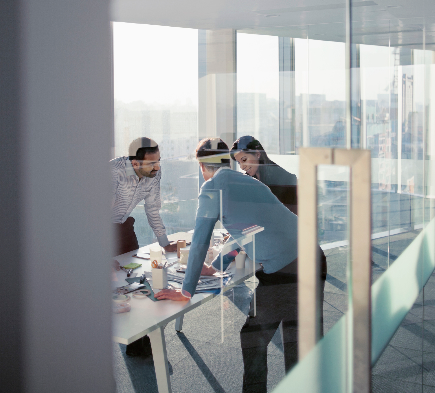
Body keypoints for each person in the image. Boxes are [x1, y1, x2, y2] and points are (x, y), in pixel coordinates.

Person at [155, 137, 326, 393]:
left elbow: (200, 241)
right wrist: (216, 265)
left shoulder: (212, 188)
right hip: (314, 257)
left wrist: (186, 291)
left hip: (286, 271)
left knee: (254, 338)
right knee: (297, 341)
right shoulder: (249, 182)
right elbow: (249, 231)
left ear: (202, 167)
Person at [111, 137, 177, 357]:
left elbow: (153, 210)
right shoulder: (113, 173)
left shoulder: (153, 174)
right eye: (152, 163)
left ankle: (139, 339)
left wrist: (164, 242)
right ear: (135, 163)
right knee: (113, 281)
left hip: (123, 225)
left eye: (158, 161)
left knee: (136, 276)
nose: (157, 167)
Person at [230, 135, 298, 214]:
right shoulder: (248, 180)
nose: (242, 167)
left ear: (257, 154)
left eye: (244, 160)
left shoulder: (284, 179)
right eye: (239, 163)